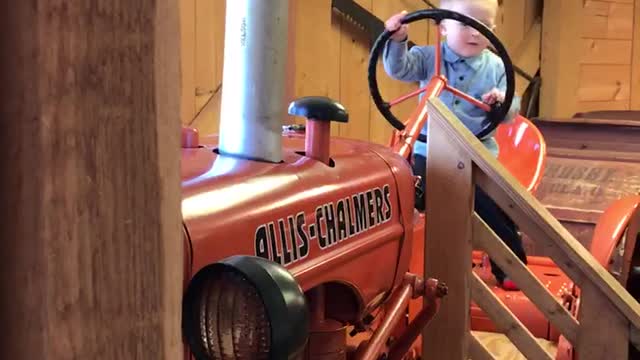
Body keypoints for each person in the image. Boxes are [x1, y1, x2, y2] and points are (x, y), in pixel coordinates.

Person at [383, 0, 526, 290]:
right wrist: (398, 41)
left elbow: (512, 111)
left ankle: (511, 267)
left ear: (494, 31)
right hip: (429, 151)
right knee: (402, 195)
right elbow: (398, 70)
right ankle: (393, 263)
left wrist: (501, 101)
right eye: (466, 24)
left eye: (483, 26)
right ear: (443, 26)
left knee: (494, 209)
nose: (475, 33)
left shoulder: (497, 67)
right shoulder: (427, 57)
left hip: (478, 153)